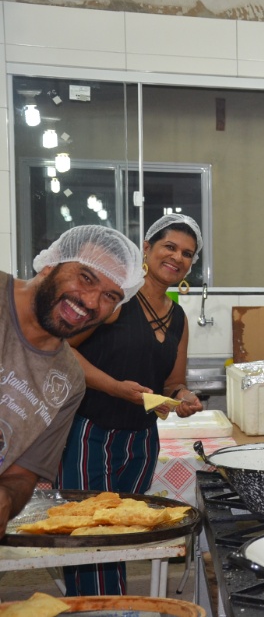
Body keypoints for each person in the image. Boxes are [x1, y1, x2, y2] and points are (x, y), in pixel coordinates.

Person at [55, 214, 204, 596]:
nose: (177, 257)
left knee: (122, 532)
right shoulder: (115, 299)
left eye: (187, 254)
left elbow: (172, 382)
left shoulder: (178, 318)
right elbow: (64, 350)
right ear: (148, 249)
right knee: (89, 534)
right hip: (90, 433)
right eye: (169, 246)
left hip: (141, 440)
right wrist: (116, 388)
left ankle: (111, 604)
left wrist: (183, 398)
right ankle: (104, 609)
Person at [0, 225, 141, 540]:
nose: (91, 302)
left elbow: (22, 475)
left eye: (110, 296)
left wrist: (7, 499)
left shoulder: (70, 379)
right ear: (52, 263)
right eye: (86, 277)